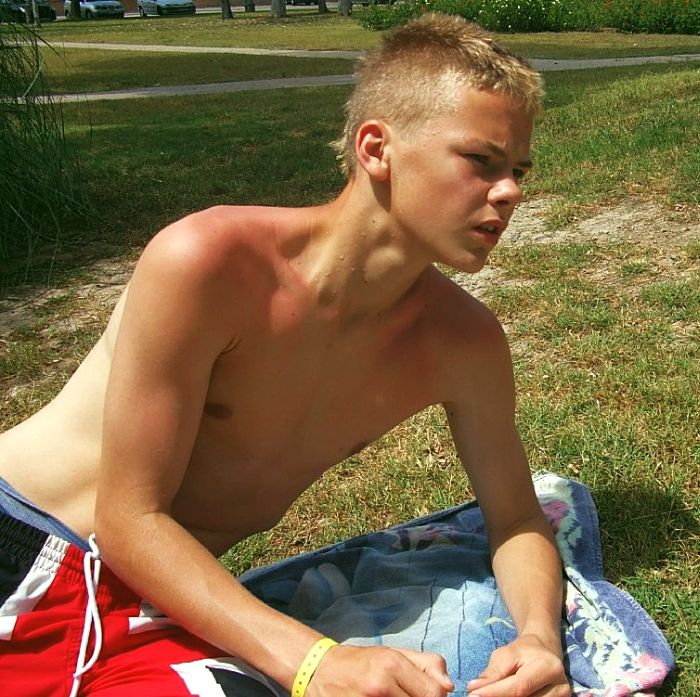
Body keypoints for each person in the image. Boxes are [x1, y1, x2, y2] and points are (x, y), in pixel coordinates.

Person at [0, 13, 570, 697]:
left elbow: (515, 517)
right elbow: (127, 521)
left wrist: (538, 638)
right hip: (31, 545)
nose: (511, 191)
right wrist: (315, 660)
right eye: (482, 161)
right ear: (376, 149)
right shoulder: (212, 264)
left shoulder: (463, 341)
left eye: (518, 170)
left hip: (161, 599)